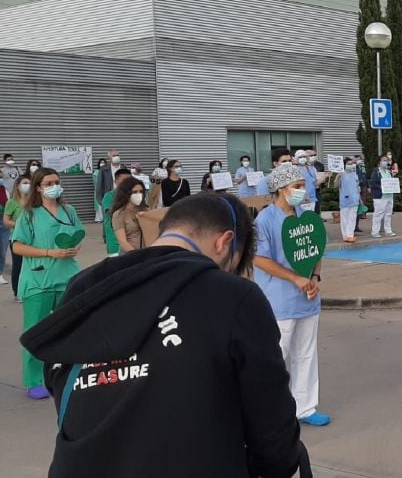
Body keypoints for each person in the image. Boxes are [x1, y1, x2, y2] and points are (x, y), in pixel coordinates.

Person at [19, 193, 310, 478]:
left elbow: (60, 377)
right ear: (224, 242)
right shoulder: (232, 294)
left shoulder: (86, 286)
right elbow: (272, 424)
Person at [254, 163, 331, 427]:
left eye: (302, 185)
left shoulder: (304, 216)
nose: (302, 190)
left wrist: (314, 277)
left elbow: (316, 249)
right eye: (296, 186)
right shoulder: (265, 220)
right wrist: (294, 278)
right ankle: (267, 414)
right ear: (280, 189)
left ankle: (305, 407)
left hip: (308, 299)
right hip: (279, 301)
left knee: (306, 354)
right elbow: (259, 259)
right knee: (276, 357)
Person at [11, 167, 82, 400]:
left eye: (57, 182)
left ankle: (67, 372)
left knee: (69, 329)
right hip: (38, 281)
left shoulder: (69, 211)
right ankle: (34, 380)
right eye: (49, 182)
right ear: (38, 187)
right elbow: (17, 246)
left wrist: (74, 247)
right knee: (36, 330)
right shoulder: (29, 214)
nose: (54, 186)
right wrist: (49, 252)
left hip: (66, 278)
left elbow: (78, 234)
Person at [3, 174, 29, 297]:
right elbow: (6, 221)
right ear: (18, 186)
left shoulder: (33, 202)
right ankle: (17, 292)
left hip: (31, 239)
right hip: (16, 238)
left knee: (30, 265)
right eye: (24, 183)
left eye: (29, 183)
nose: (27, 186)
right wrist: (19, 225)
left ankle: (29, 289)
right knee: (18, 265)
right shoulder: (12, 203)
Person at [110, 177, 147, 254]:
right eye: (135, 192)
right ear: (127, 193)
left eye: (141, 191)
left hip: (147, 253)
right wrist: (135, 255)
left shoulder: (146, 210)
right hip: (129, 255)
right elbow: (122, 241)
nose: (139, 194)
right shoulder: (119, 214)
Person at [101, 168, 132, 258]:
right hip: (115, 245)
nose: (127, 184)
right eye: (124, 181)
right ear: (116, 181)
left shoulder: (134, 196)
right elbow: (113, 214)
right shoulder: (109, 196)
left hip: (132, 244)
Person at [368, 155, 397, 238]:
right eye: (384, 160)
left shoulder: (389, 172)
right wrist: (381, 187)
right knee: (378, 214)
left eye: (386, 160)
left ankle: (388, 230)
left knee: (388, 214)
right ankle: (375, 231)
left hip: (389, 196)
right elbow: (373, 183)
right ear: (379, 162)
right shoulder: (376, 172)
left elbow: (392, 182)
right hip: (380, 197)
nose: (385, 162)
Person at [337, 157, 361, 243]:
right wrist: (338, 177)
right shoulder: (341, 174)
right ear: (344, 165)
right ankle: (345, 236)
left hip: (355, 200)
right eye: (349, 164)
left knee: (352, 219)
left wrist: (360, 200)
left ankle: (350, 235)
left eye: (352, 164)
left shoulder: (355, 174)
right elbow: (336, 185)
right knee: (345, 219)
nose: (351, 165)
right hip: (345, 200)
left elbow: (357, 187)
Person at [97, 150, 120, 215]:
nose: (116, 157)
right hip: (109, 198)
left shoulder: (123, 168)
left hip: (121, 197)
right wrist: (101, 201)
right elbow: (99, 186)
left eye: (118, 155)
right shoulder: (104, 169)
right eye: (114, 155)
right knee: (109, 220)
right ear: (109, 157)